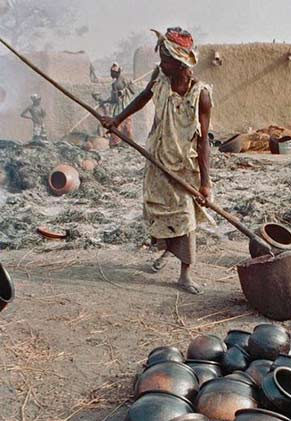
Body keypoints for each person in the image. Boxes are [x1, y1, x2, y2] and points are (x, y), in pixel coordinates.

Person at [101, 27, 213, 295]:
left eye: (165, 58)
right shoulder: (160, 77)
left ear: (181, 61)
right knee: (160, 210)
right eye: (161, 57)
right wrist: (116, 120)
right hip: (158, 158)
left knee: (185, 217)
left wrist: (206, 183)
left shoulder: (201, 95)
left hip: (185, 166)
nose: (161, 63)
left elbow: (203, 140)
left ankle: (185, 273)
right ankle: (166, 252)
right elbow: (142, 97)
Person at [106, 62, 136, 147]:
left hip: (125, 104)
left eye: (112, 72)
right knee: (117, 123)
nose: (111, 74)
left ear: (117, 72)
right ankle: (115, 142)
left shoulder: (124, 79)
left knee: (126, 124)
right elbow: (114, 99)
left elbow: (133, 91)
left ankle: (129, 142)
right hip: (118, 106)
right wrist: (106, 100)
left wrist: (129, 86)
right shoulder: (114, 84)